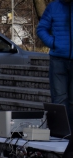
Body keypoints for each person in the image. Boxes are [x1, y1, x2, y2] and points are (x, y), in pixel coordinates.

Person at [37, 0, 73, 132]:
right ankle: (61, 132)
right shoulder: (53, 7)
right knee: (59, 98)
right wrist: (53, 43)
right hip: (58, 59)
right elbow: (41, 29)